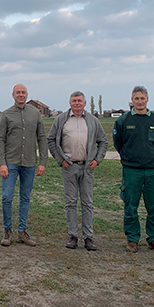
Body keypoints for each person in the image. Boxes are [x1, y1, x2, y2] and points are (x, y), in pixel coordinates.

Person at [48, 91, 107, 251]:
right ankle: (73, 236)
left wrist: (97, 160)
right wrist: (61, 160)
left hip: (87, 167)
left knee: (87, 203)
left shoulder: (93, 121)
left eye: (79, 101)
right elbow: (51, 140)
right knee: (71, 203)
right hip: (69, 166)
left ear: (85, 103)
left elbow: (103, 141)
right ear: (69, 103)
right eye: (74, 101)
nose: (77, 103)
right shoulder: (61, 120)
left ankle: (88, 238)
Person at [113, 86, 154, 254]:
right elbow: (118, 143)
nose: (139, 101)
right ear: (132, 100)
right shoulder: (123, 121)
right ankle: (132, 239)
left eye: (142, 98)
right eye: (136, 98)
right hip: (132, 171)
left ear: (147, 99)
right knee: (130, 206)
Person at [0, 84, 47, 247]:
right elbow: (0, 139)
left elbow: (42, 138)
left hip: (29, 163)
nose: (21, 95)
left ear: (27, 95)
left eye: (23, 92)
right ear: (13, 95)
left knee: (25, 197)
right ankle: (7, 231)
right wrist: (1, 162)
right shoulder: (6, 115)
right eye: (18, 92)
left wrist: (42, 162)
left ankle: (22, 231)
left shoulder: (35, 114)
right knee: (7, 196)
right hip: (10, 163)